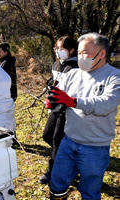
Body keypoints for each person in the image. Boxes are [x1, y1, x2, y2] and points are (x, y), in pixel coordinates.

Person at [46, 32, 120, 199]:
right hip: (69, 139)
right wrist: (53, 102)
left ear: (102, 53)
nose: (80, 56)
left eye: (85, 53)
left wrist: (73, 101)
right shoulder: (73, 74)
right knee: (57, 183)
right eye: (78, 53)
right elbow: (60, 96)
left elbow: (106, 103)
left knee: (89, 191)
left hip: (95, 146)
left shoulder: (114, 76)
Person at [39, 36, 79, 184]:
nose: (58, 51)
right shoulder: (60, 64)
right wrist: (50, 89)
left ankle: (53, 172)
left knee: (57, 139)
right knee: (47, 136)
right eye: (57, 48)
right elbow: (55, 82)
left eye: (61, 49)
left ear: (71, 50)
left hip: (67, 109)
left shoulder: (75, 66)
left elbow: (72, 91)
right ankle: (71, 161)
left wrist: (55, 101)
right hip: (56, 108)